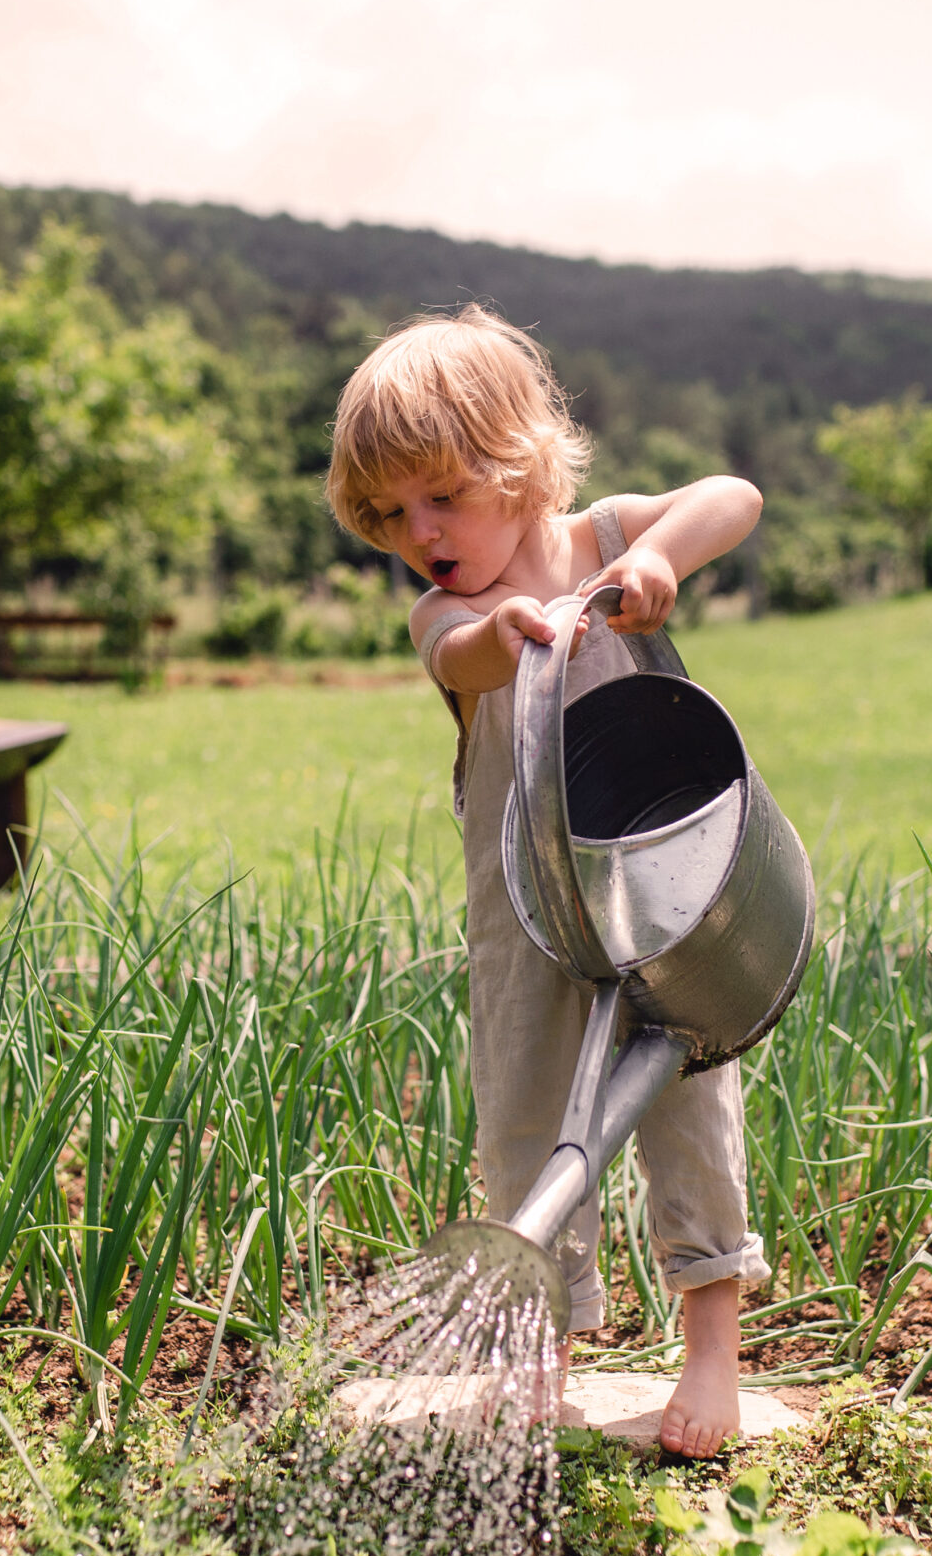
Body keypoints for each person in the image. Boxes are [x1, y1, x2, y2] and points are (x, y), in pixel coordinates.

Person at [326, 305, 768, 1457]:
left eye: (441, 495)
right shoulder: (451, 612)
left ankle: (711, 1346)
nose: (419, 533)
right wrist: (506, 628)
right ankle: (540, 1354)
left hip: (661, 886)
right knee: (525, 1114)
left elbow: (735, 496)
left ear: (517, 465)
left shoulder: (601, 540)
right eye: (387, 515)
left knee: (686, 1104)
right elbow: (457, 654)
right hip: (525, 912)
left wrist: (660, 555)